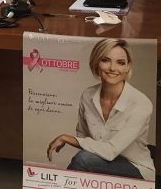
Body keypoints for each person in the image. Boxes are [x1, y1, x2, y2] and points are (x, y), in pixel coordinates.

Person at [47, 38, 154, 181]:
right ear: (96, 62)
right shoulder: (88, 95)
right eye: (105, 60)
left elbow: (111, 151)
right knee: (84, 158)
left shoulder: (141, 103)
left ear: (128, 67)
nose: (113, 68)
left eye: (120, 63)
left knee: (83, 159)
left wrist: (66, 138)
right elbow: (84, 137)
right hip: (99, 162)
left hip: (136, 168)